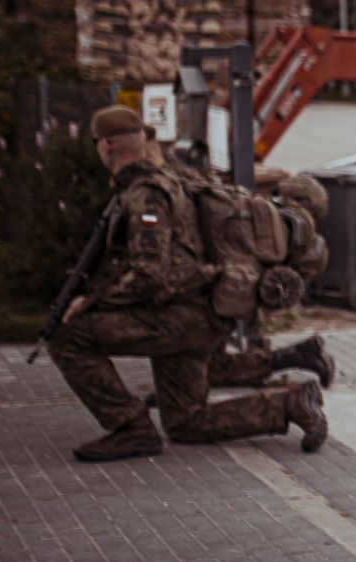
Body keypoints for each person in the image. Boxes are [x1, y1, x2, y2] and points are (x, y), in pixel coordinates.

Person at [47, 106, 328, 462]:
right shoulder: (168, 180)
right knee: (184, 422)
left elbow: (151, 274)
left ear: (104, 145)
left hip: (183, 315)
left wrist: (93, 302)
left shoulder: (145, 194)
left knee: (67, 335)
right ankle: (292, 404)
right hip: (201, 310)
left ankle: (130, 428)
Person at [142, 125, 336, 392]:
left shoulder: (272, 223)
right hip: (229, 289)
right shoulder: (289, 231)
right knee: (211, 363)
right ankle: (299, 356)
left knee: (211, 366)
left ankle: (298, 365)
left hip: (227, 289)